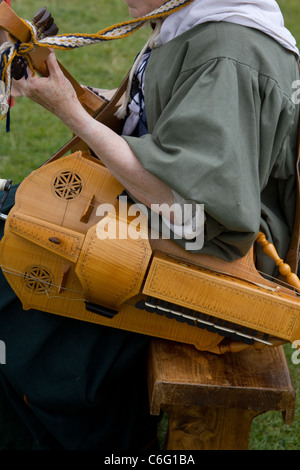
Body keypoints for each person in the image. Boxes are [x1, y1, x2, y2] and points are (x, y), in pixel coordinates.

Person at [0, 0, 299, 450]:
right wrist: (63, 86)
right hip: (184, 227)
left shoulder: (225, 51)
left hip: (213, 263)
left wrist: (72, 112)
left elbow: (194, 212)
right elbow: (160, 131)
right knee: (16, 211)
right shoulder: (199, 24)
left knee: (21, 256)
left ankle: (88, 429)